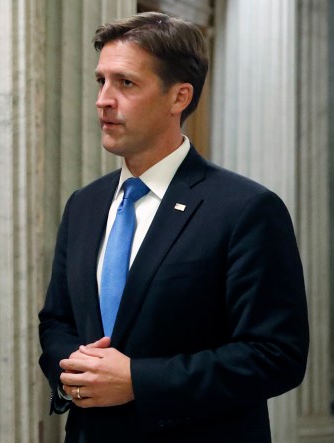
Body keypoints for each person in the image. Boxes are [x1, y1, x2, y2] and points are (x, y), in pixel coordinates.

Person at [38, 11, 309, 443]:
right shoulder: (84, 205)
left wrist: (139, 381)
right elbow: (56, 321)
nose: (103, 100)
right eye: (101, 81)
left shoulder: (246, 209)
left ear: (179, 97)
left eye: (126, 83)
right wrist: (75, 374)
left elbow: (276, 355)